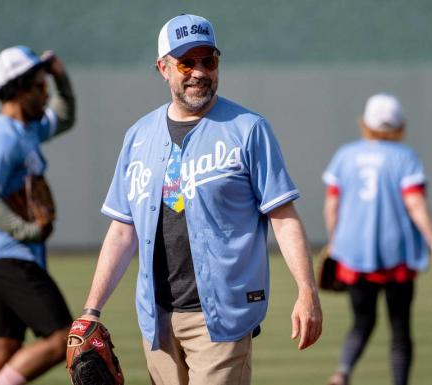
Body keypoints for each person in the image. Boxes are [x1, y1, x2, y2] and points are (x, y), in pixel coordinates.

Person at [76, 14, 322, 385]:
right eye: (186, 62)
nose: (199, 72)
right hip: (156, 321)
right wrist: (91, 310)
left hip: (221, 318)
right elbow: (122, 229)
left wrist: (307, 290)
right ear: (163, 68)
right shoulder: (138, 137)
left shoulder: (248, 129)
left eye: (209, 60)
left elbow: (282, 215)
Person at [0, 46, 76, 385]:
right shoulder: (3, 138)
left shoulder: (28, 128)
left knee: (0, 353)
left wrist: (61, 77)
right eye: (40, 85)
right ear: (19, 88)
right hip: (10, 257)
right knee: (61, 339)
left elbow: (65, 115)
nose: (46, 92)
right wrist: (24, 230)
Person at [321, 93, 432, 385]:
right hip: (396, 256)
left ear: (365, 123)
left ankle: (343, 372)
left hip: (352, 254)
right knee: (400, 329)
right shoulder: (405, 158)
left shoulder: (346, 155)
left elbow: (332, 205)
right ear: (400, 125)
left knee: (362, 322)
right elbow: (415, 203)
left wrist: (335, 241)